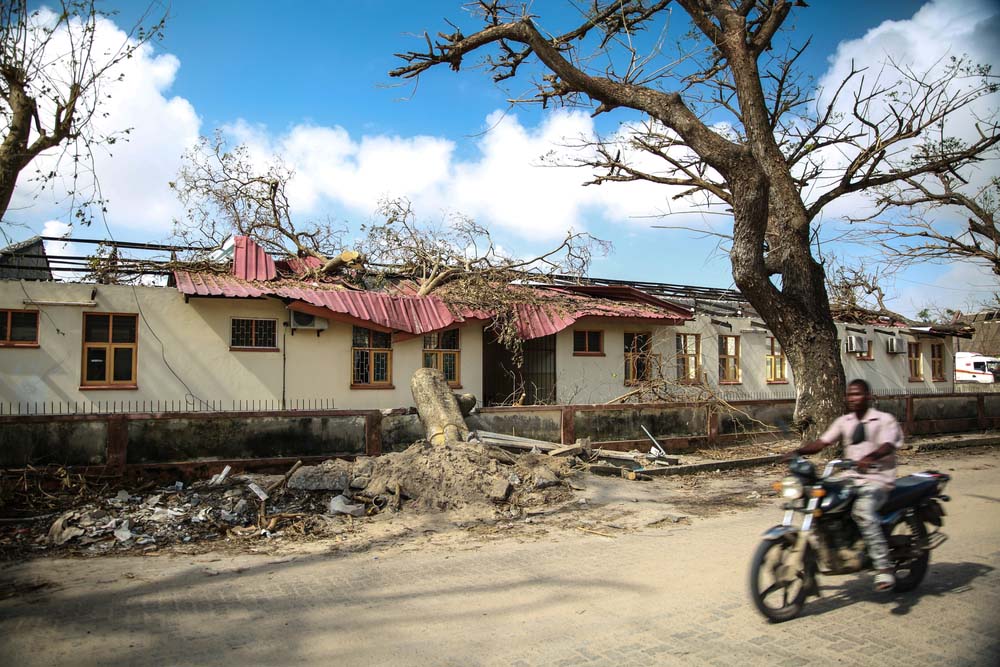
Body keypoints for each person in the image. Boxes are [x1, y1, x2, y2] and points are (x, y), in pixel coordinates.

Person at [786, 378, 904, 591]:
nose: (852, 398)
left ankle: (884, 567)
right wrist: (798, 451)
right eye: (850, 394)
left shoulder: (884, 420)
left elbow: (888, 445)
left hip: (877, 480)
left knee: (862, 512)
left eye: (857, 394)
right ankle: (828, 554)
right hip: (850, 478)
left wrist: (871, 457)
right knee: (818, 500)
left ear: (868, 396)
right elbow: (822, 442)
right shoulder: (844, 421)